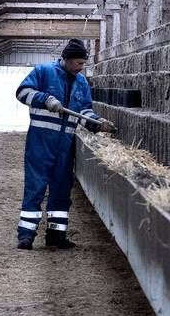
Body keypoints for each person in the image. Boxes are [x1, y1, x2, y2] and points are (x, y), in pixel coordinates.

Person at [14, 39, 107, 250]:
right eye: (77, 63)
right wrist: (45, 99)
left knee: (61, 190)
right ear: (66, 59)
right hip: (41, 141)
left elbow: (84, 110)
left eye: (83, 63)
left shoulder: (81, 82)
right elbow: (22, 92)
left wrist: (96, 123)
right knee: (35, 187)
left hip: (65, 145)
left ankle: (56, 236)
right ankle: (26, 235)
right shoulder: (43, 71)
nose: (80, 67)